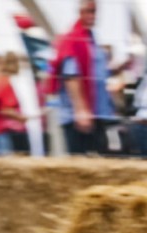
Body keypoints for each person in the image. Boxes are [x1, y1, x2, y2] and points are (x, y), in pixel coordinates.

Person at [46, 0, 116, 155]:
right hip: (78, 116)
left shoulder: (92, 39)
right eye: (88, 11)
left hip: (97, 113)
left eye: (94, 11)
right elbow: (71, 76)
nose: (92, 15)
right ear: (80, 12)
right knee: (81, 162)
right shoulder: (72, 39)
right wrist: (81, 110)